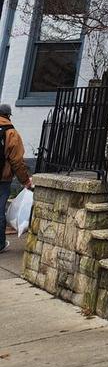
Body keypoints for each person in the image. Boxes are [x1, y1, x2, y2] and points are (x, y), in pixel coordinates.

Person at [0, 102, 32, 253]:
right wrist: (25, 181)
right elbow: (17, 161)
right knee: (0, 211)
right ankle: (0, 244)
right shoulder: (11, 133)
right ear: (8, 116)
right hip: (2, 179)